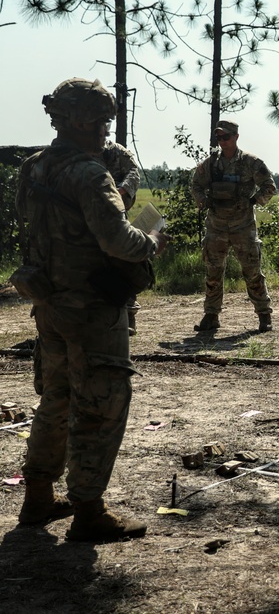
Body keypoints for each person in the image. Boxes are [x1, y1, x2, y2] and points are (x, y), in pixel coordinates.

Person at [13, 77, 168, 541]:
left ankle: (38, 495)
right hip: (92, 308)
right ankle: (88, 510)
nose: (105, 129)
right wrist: (153, 238)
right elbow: (119, 241)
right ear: (79, 119)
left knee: (56, 399)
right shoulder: (88, 172)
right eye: (101, 120)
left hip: (49, 302)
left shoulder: (34, 167)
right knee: (100, 404)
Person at [190, 120, 276, 333]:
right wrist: (202, 200)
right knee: (213, 271)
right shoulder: (211, 164)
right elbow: (196, 185)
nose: (222, 141)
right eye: (218, 138)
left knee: (252, 270)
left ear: (236, 136)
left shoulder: (251, 163)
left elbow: (269, 186)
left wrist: (254, 201)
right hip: (216, 226)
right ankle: (211, 315)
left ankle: (264, 314)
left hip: (243, 226)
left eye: (225, 137)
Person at [102, 141, 142, 335]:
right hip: (82, 218)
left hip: (116, 217)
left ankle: (129, 317)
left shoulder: (116, 151)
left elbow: (134, 173)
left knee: (124, 262)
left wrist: (120, 192)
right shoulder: (75, 149)